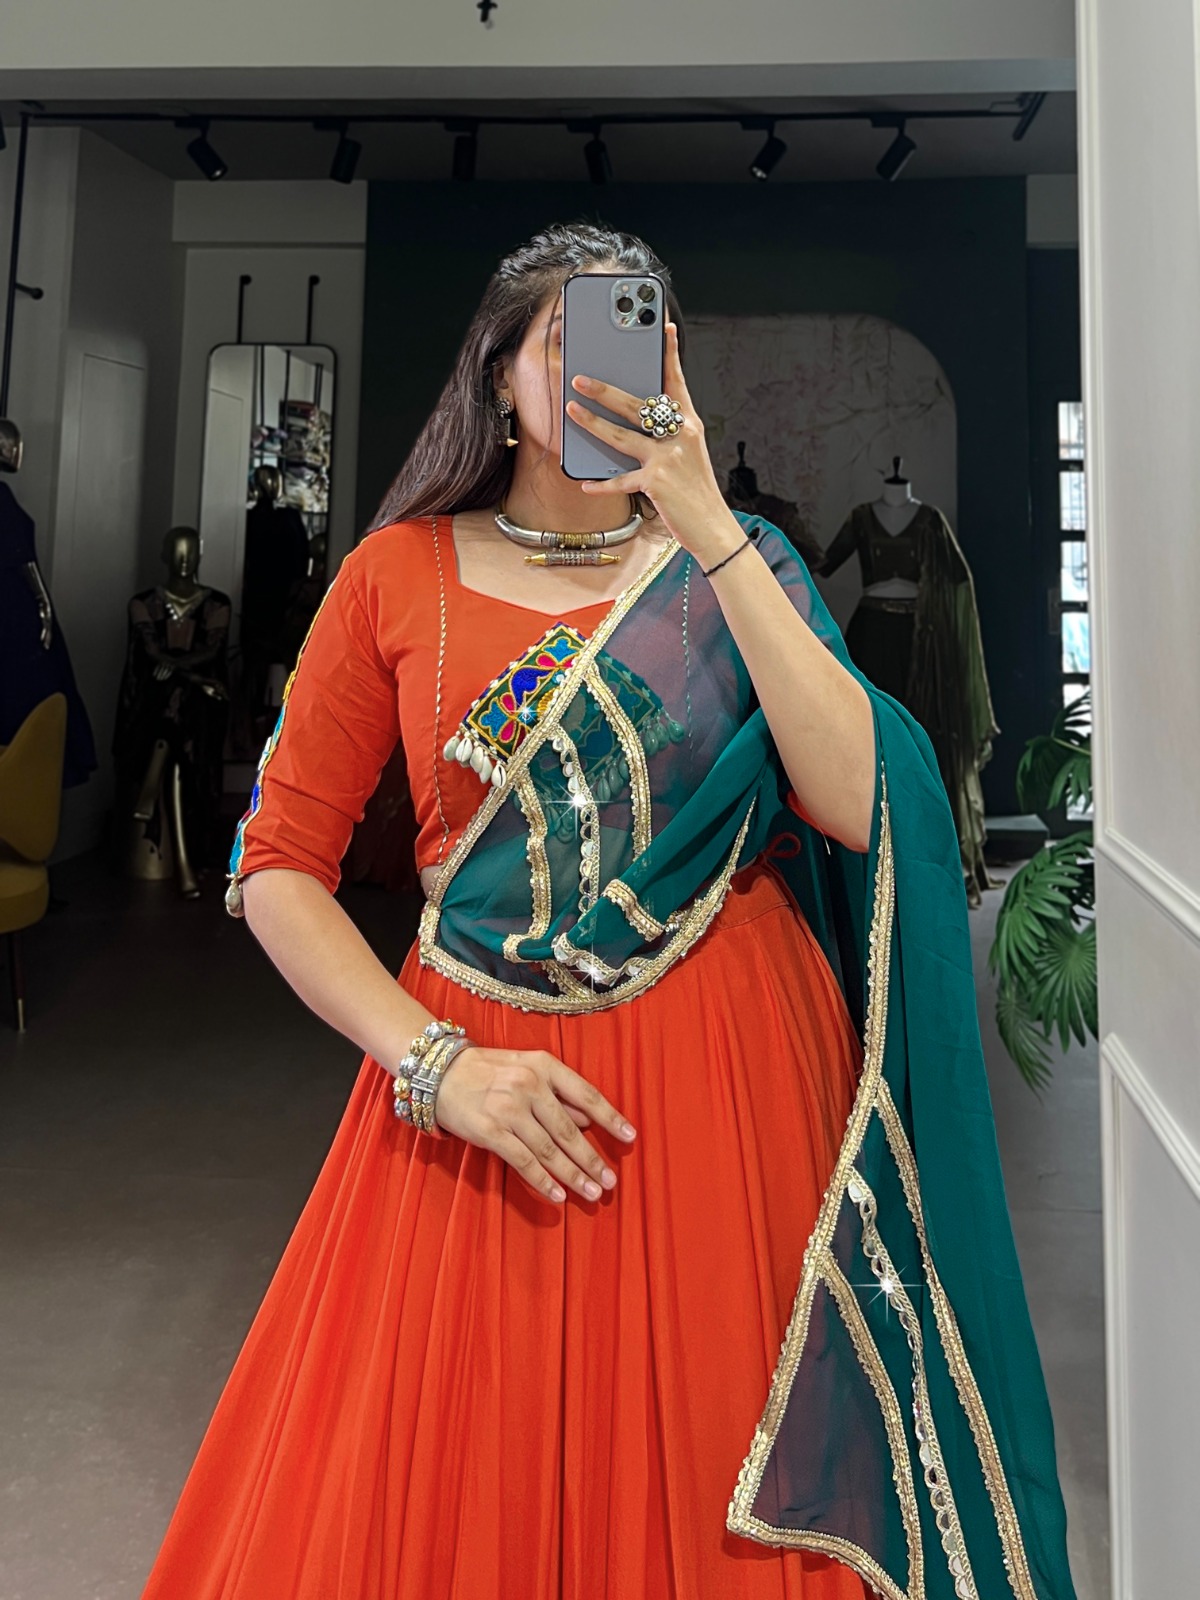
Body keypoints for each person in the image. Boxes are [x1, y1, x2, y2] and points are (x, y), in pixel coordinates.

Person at [142, 223, 1077, 1600]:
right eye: (565, 340)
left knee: (725, 1453)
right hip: (483, 1089)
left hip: (733, 1086)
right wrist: (434, 1067)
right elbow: (278, 864)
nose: (600, 374)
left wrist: (706, 525)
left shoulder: (739, 561)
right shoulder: (398, 574)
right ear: (497, 372)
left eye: (637, 340)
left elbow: (854, 800)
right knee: (476, 1469)